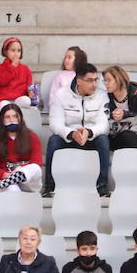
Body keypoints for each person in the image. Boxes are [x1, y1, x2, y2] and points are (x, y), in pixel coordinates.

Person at [42, 63, 109, 196]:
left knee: (103, 140)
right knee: (54, 140)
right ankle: (50, 186)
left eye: (96, 80)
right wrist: (72, 134)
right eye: (89, 80)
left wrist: (89, 132)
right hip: (70, 137)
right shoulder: (62, 94)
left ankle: (102, 186)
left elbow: (104, 124)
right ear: (79, 81)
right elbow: (55, 123)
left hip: (90, 137)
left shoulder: (102, 95)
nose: (94, 84)